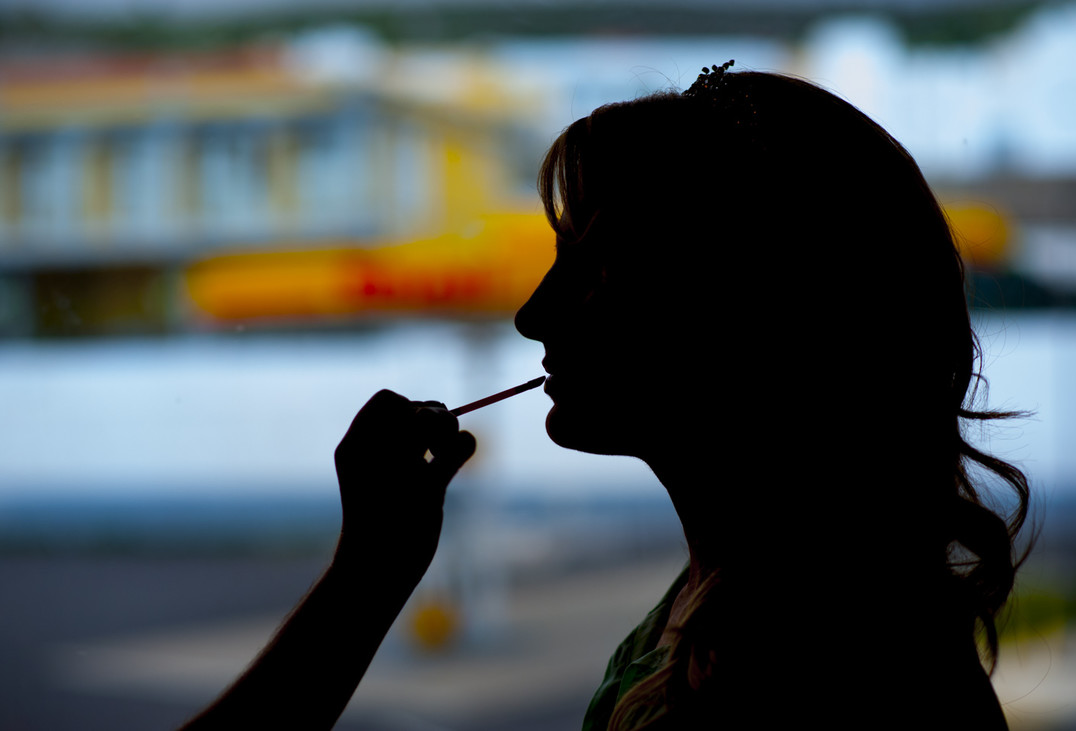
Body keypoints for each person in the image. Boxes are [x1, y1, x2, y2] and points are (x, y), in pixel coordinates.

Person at [180, 63, 1032, 730]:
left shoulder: (829, 678)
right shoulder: (745, 603)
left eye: (589, 269)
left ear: (740, 312)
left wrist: (365, 577)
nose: (531, 313)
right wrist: (370, 572)